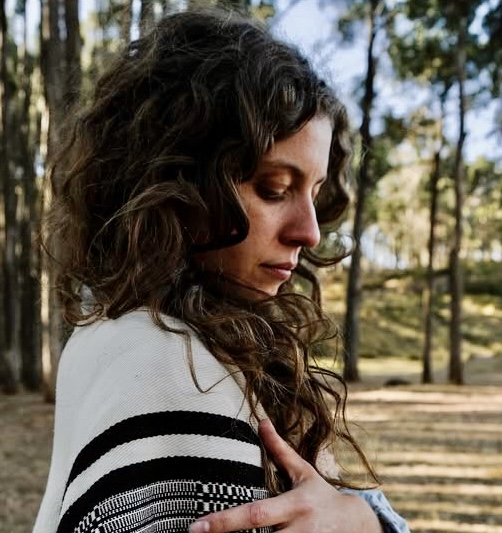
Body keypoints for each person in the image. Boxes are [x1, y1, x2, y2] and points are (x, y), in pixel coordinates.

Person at [34, 8, 410, 533]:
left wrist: (366, 519)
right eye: (274, 189)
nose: (309, 232)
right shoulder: (175, 365)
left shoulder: (105, 332)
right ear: (173, 184)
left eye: (315, 192)